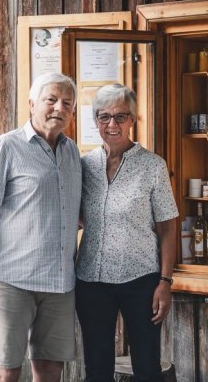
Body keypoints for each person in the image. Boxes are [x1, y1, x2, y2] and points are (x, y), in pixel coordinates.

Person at [0, 72, 82, 382]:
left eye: (67, 103)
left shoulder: (71, 152)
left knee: (51, 369)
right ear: (32, 103)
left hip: (60, 282)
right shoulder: (6, 147)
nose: (59, 108)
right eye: (51, 100)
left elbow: (73, 211)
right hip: (14, 279)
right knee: (7, 369)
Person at [75, 84, 179, 381]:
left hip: (141, 281)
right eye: (104, 116)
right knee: (96, 366)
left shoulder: (152, 166)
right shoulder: (84, 165)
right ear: (95, 120)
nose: (112, 124)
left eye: (121, 117)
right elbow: (75, 215)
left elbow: (168, 227)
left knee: (146, 366)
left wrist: (165, 281)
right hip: (91, 280)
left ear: (133, 120)